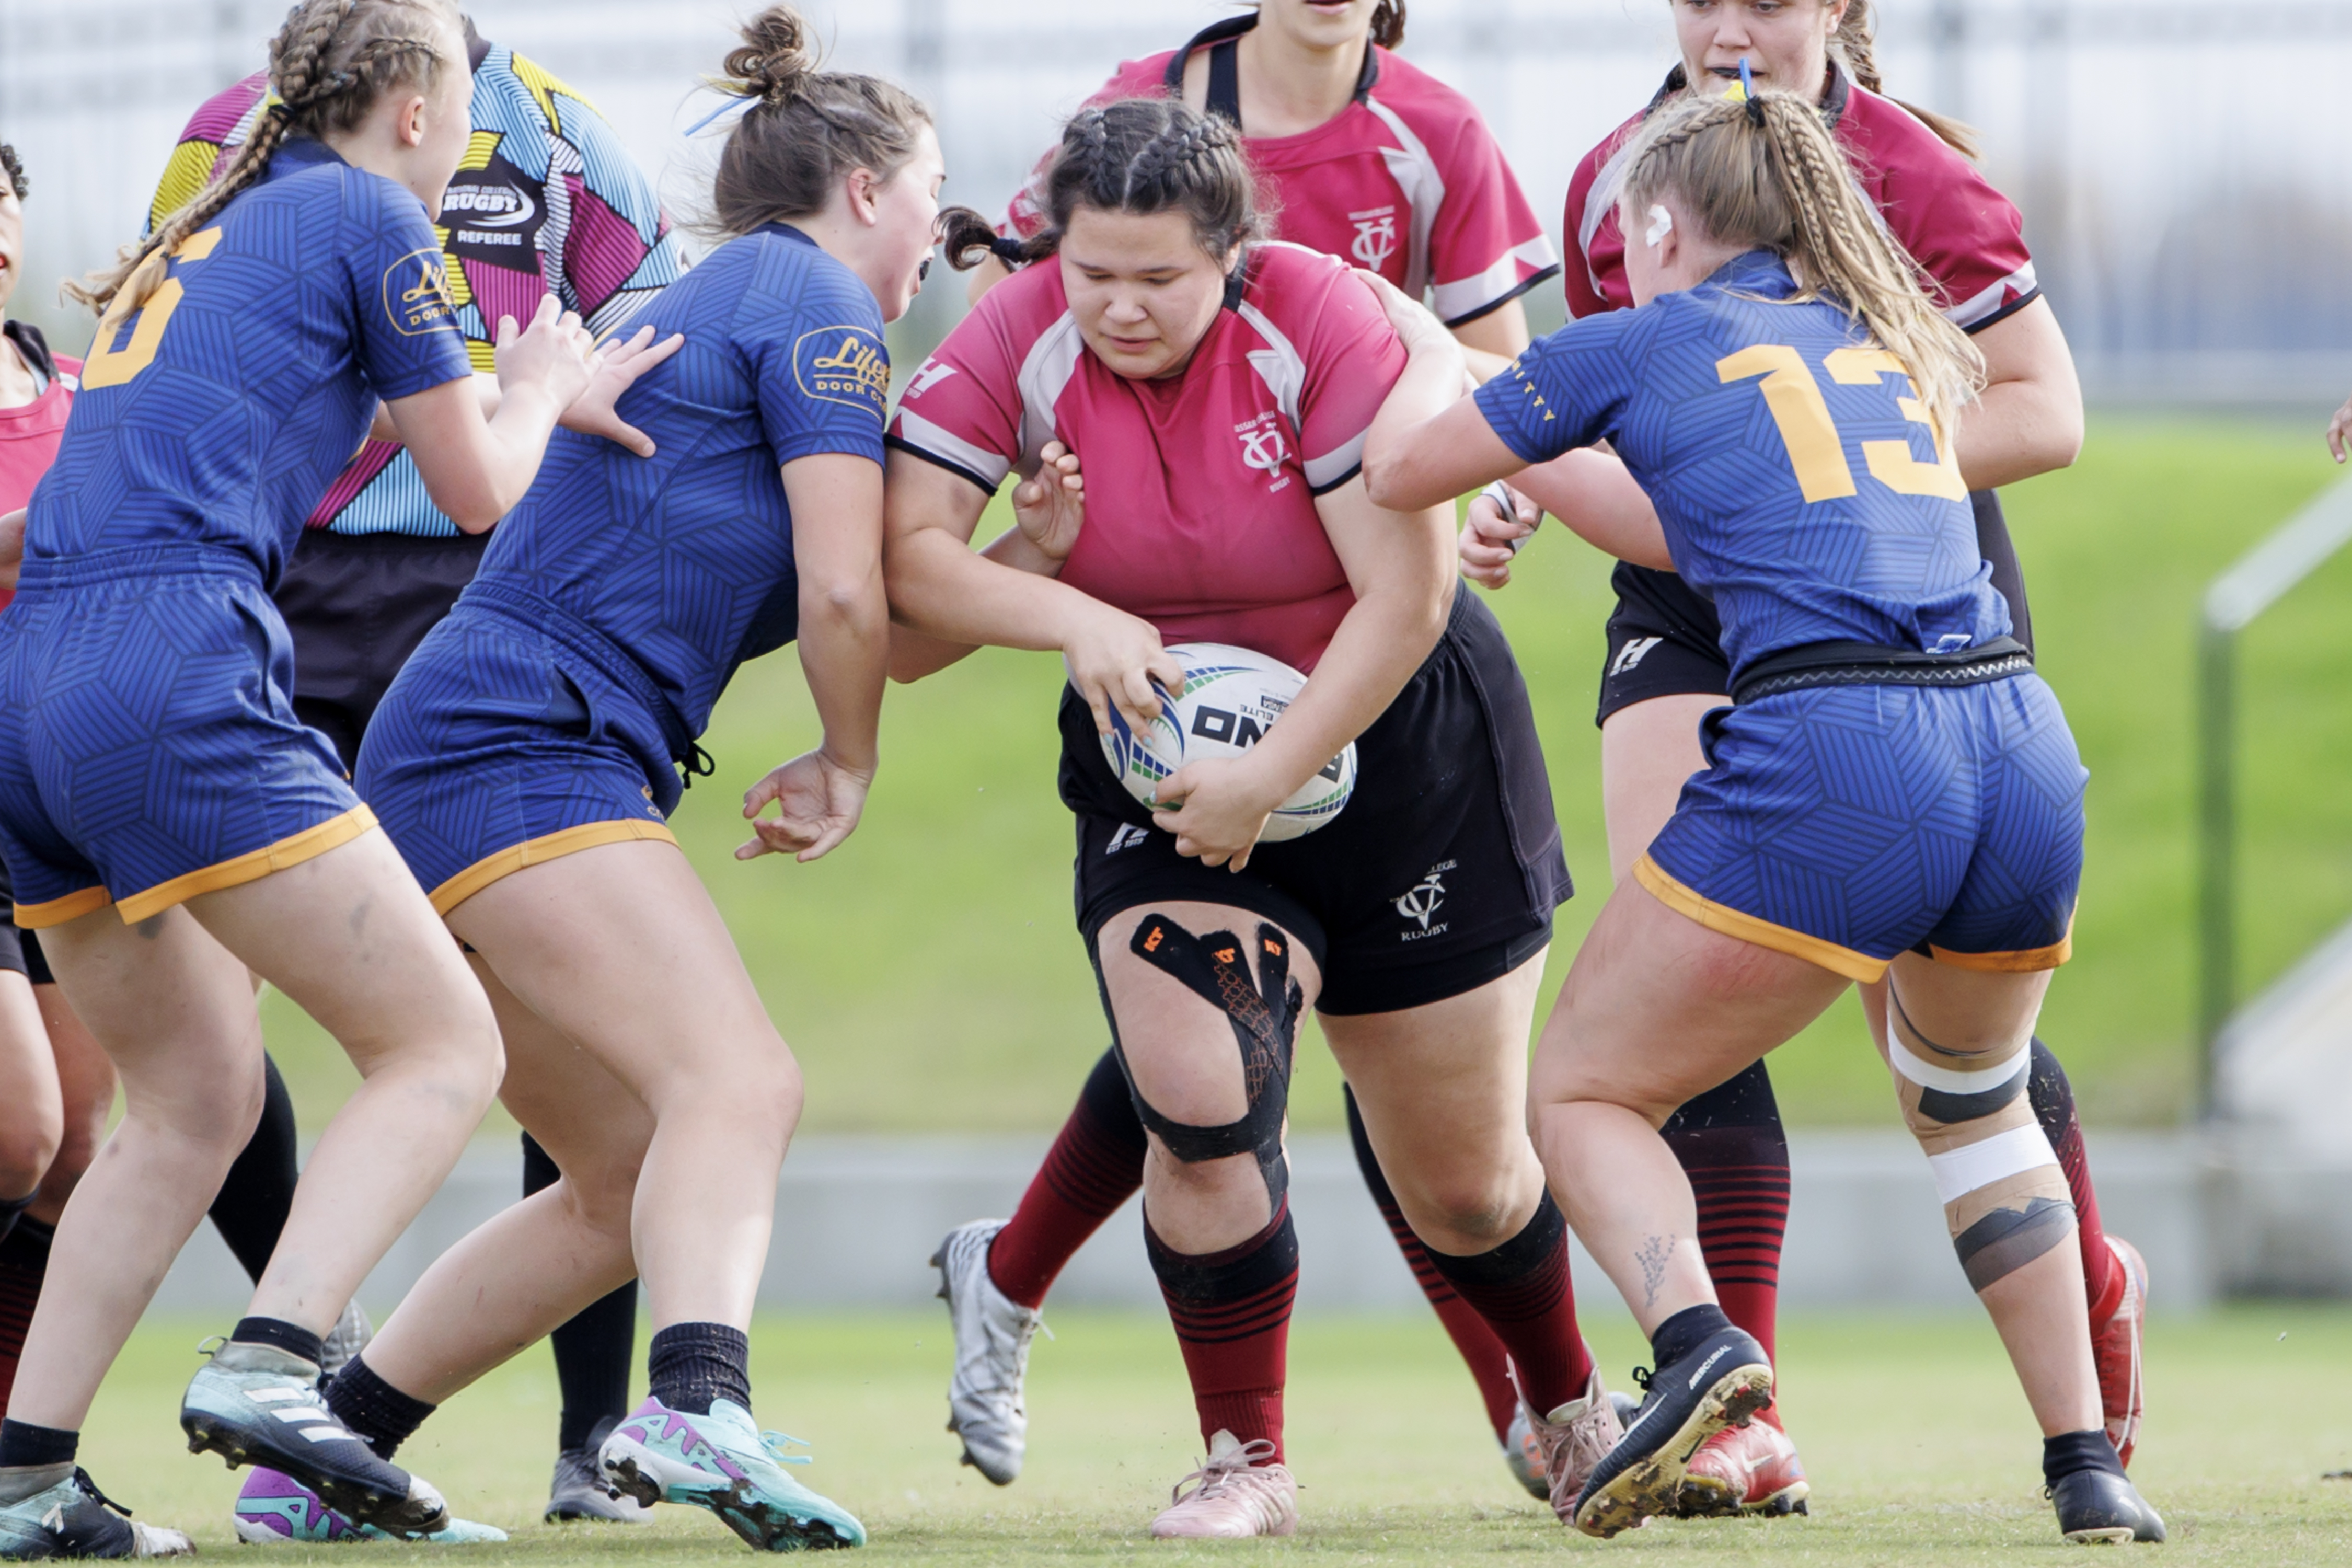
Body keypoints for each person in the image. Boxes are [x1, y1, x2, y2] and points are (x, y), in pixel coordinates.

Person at [1359, 80, 2165, 1546]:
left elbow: (1401, 471)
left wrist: (1441, 360)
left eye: (1626, 230)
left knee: (1582, 1093)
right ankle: (2084, 1466)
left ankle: (1700, 1348)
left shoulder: (1641, 335)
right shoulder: (1880, 336)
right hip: (2015, 743)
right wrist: (1554, 440)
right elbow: (1677, 525)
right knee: (1976, 1110)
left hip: (1840, 750)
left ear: (1661, 222)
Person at [890, 96, 1611, 1539]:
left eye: (1159, 278)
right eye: (1093, 274)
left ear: (1234, 253)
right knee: (1201, 1107)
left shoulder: (1324, 318)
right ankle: (1246, 1459)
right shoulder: (1018, 330)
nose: (1119, 308)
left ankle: (1570, 1405)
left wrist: (1271, 773)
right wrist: (1068, 604)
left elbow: (1407, 596)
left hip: (1398, 744)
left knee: (1464, 1187)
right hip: (1159, 761)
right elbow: (908, 574)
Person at [0, 0, 639, 1553]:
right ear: (420, 111)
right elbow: (479, 488)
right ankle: (283, 1360)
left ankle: (21, 1480)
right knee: (442, 1044)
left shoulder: (210, 228)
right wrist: (544, 377)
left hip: (36, 690)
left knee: (192, 1099)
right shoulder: (368, 207)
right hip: (176, 667)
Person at [327, 7, 937, 1550]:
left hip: (466, 738)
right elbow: (847, 600)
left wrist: (1046, 570)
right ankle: (693, 1407)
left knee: (617, 1180)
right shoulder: (815, 300)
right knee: (740, 1084)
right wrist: (846, 762)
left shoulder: (724, 287)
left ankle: (325, 1456)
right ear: (866, 185)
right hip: (521, 743)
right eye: (931, 193)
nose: (942, 231)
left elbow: (875, 599)